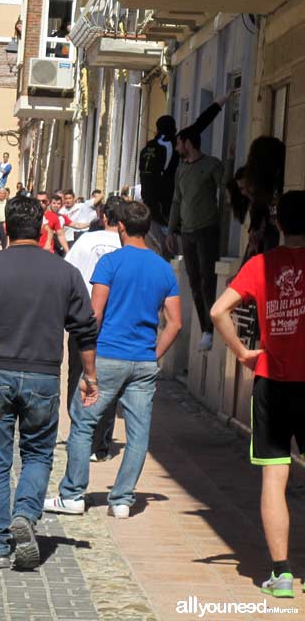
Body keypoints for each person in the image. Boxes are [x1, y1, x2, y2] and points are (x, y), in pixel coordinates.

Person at [0, 196, 98, 569]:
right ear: (42, 229)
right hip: (43, 374)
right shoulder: (64, 272)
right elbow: (86, 329)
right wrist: (89, 375)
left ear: (6, 228)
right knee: (38, 453)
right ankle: (25, 513)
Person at [47, 201, 181, 522]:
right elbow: (175, 322)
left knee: (83, 423)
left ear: (120, 226)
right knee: (138, 433)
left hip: (108, 354)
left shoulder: (110, 262)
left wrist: (85, 356)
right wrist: (154, 354)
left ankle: (73, 494)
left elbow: (95, 313)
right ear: (147, 229)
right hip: (144, 361)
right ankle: (121, 500)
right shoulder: (163, 268)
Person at [209, 190, 305, 599]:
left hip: (272, 381)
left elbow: (217, 311)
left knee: (274, 474)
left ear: (279, 223)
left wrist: (243, 352)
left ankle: (281, 574)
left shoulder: (260, 264)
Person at [63, 196, 124, 461]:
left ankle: (80, 435)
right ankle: (101, 444)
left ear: (104, 216)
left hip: (83, 317)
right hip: (114, 321)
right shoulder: (127, 247)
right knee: (108, 381)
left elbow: (68, 274)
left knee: (77, 374)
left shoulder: (86, 240)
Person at [166, 100, 229, 351]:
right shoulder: (181, 170)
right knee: (193, 280)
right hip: (188, 232)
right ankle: (205, 328)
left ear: (188, 143)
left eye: (179, 142)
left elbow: (224, 192)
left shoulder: (212, 164)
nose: (177, 146)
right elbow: (176, 201)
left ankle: (212, 326)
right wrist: (172, 230)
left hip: (207, 229)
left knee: (207, 279)